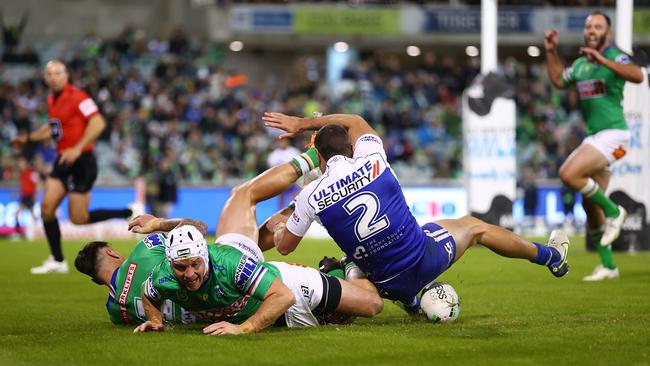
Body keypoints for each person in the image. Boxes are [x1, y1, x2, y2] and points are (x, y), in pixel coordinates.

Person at [263, 112, 570, 313]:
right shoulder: (373, 158)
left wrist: (280, 225)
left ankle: (408, 300)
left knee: (347, 264)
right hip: (425, 259)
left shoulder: (311, 196)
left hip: (382, 282)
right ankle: (551, 257)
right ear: (350, 147)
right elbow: (355, 120)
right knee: (475, 228)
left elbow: (286, 246)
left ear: (319, 156)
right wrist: (303, 123)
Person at [133, 161, 382, 335]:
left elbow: (283, 295)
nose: (188, 274)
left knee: (371, 305)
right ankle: (307, 206)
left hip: (288, 285)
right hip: (264, 301)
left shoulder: (231, 264)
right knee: (340, 318)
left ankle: (349, 263)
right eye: (180, 267)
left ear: (205, 255)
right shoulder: (163, 275)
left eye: (194, 265)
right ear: (169, 263)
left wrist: (243, 329)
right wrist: (154, 320)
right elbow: (148, 293)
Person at [11, 60, 143, 274]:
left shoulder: (78, 97)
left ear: (66, 76)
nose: (53, 77)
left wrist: (77, 148)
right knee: (46, 209)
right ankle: (57, 260)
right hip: (63, 161)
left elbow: (98, 122)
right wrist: (27, 138)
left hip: (82, 162)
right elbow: (52, 128)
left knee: (78, 218)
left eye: (58, 73)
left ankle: (128, 211)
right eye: (50, 74)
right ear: (45, 78)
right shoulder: (51, 100)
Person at [545, 11, 644, 281]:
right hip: (595, 137)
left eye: (598, 26)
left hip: (614, 133)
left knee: (568, 174)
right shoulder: (580, 65)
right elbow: (557, 80)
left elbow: (637, 75)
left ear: (607, 33)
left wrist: (603, 60)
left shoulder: (615, 57)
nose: (592, 30)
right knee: (590, 205)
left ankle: (615, 211)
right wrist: (551, 52)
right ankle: (609, 265)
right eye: (589, 26)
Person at [74, 216, 206, 325]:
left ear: (96, 281)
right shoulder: (145, 249)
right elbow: (196, 227)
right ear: (112, 253)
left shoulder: (115, 314)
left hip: (200, 320)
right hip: (216, 295)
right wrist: (157, 223)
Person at [14, 155, 38, 238]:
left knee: (32, 213)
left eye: (22, 163)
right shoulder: (22, 173)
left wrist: (34, 195)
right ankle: (18, 230)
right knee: (18, 213)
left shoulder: (31, 172)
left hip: (29, 195)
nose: (20, 165)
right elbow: (22, 186)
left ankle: (36, 230)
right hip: (24, 196)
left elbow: (35, 184)